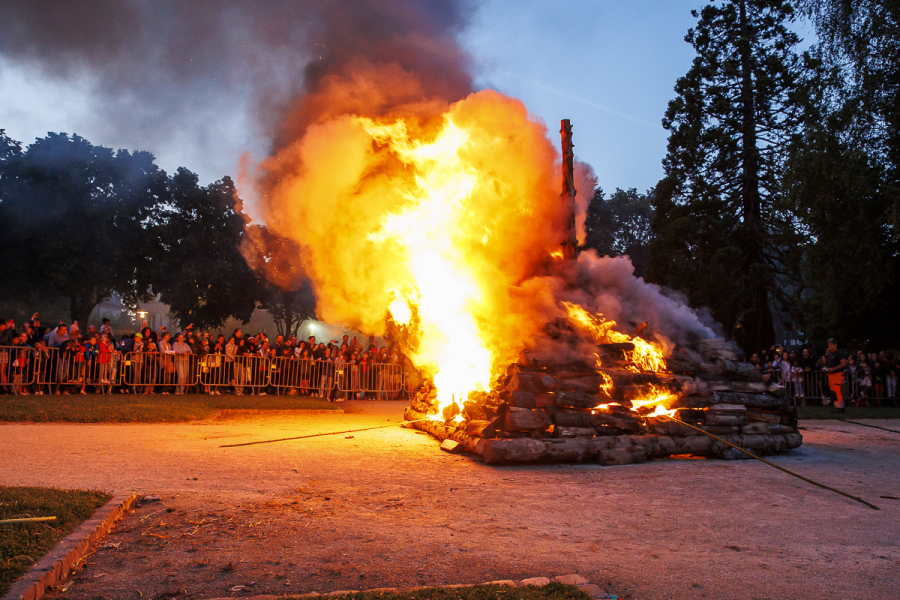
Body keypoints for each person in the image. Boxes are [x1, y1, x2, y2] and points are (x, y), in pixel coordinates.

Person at [824, 338, 848, 413]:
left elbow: (843, 363)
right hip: (831, 375)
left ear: (835, 345)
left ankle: (841, 407)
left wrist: (833, 369)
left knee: (836, 390)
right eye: (829, 344)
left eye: (831, 344)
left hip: (837, 374)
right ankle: (837, 406)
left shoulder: (839, 353)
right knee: (833, 391)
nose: (829, 346)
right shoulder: (831, 354)